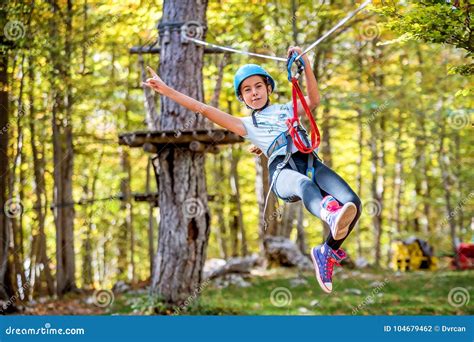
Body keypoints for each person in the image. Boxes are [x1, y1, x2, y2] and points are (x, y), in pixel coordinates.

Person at [143, 46, 361, 293]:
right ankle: (329, 213)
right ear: (242, 98)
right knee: (304, 186)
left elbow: (314, 100)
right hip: (283, 173)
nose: (254, 92)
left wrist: (306, 64)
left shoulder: (287, 108)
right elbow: (202, 109)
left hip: (310, 162)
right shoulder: (246, 125)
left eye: (258, 86)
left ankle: (327, 250)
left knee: (353, 203)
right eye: (247, 90)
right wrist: (168, 91)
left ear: (268, 88)